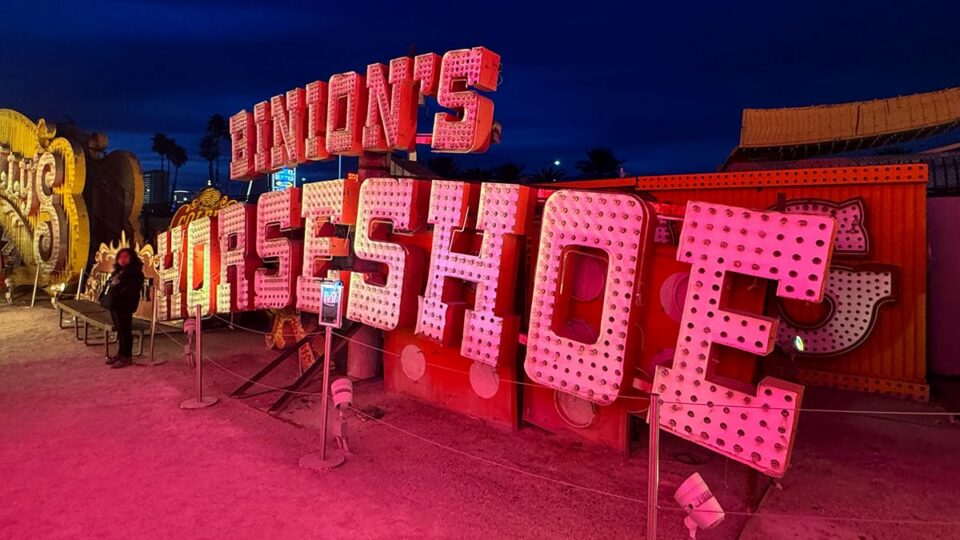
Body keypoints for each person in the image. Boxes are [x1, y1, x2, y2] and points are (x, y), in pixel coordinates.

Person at [100, 247, 145, 369]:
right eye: (120, 257)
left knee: (125, 331)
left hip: (125, 305)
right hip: (115, 304)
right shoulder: (119, 272)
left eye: (126, 257)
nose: (122, 259)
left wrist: (118, 286)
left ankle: (127, 356)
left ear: (131, 258)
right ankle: (120, 354)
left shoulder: (135, 273)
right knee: (119, 330)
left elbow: (130, 290)